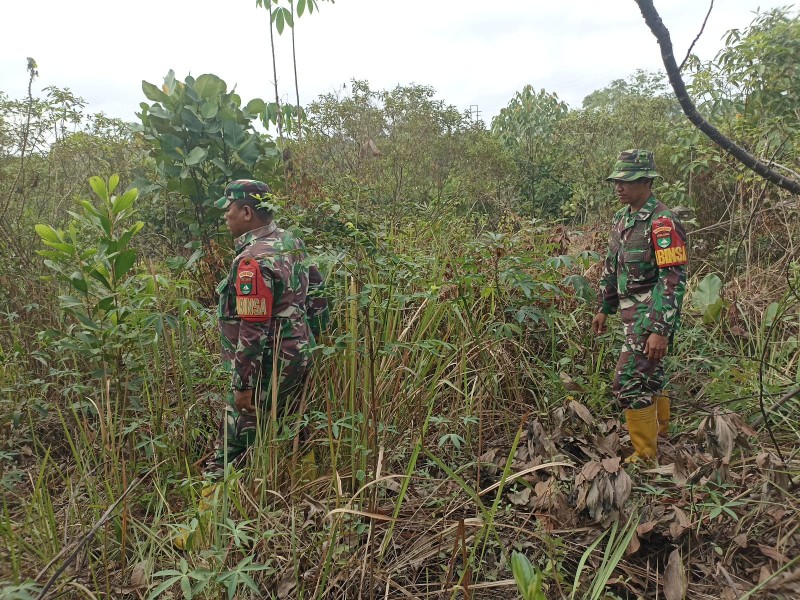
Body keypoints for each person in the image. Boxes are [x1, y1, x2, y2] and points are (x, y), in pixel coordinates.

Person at [175, 179, 328, 549]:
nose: (225, 217)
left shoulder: (252, 260)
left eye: (229, 210)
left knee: (230, 446)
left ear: (246, 212)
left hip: (267, 366)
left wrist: (242, 386)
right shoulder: (291, 241)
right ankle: (300, 501)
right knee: (293, 426)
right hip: (299, 355)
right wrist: (315, 342)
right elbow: (319, 294)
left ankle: (200, 534)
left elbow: (253, 327)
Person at [591, 150, 687, 463]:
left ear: (646, 181)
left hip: (650, 317)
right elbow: (612, 266)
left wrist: (659, 329)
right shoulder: (623, 218)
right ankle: (661, 434)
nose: (619, 187)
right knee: (650, 376)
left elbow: (672, 279)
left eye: (627, 181)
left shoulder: (662, 222)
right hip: (629, 314)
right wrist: (604, 306)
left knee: (628, 382)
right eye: (616, 181)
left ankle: (645, 454)